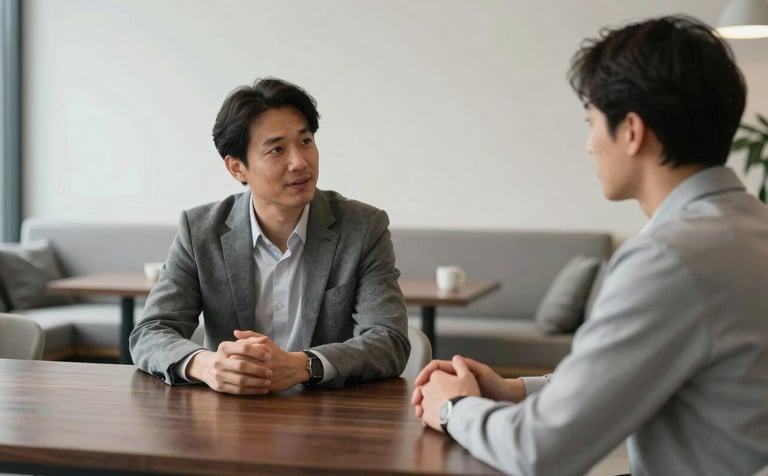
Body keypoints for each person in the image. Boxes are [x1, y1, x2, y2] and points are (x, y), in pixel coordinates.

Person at [412, 15, 768, 476]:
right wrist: (516, 390)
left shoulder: (668, 260)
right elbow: (638, 370)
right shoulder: (750, 227)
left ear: (632, 131)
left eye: (591, 121)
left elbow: (539, 451)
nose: (588, 145)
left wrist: (453, 408)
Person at [130, 78, 410, 394]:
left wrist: (305, 366)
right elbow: (150, 333)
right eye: (277, 149)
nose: (300, 162)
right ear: (237, 168)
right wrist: (207, 365)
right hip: (231, 419)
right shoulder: (201, 231)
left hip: (328, 415)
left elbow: (389, 341)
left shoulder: (362, 227)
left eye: (305, 141)